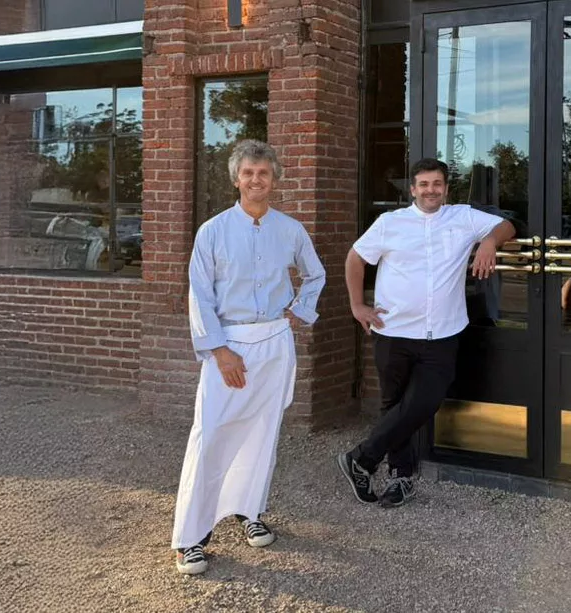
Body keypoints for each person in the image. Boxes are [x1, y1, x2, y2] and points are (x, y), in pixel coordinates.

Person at [171, 139, 326, 575]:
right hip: (230, 343)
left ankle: (250, 511)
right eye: (248, 173)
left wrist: (299, 311)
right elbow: (200, 295)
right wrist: (220, 350)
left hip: (275, 343)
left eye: (264, 173)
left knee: (262, 433)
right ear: (236, 179)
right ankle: (190, 538)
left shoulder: (290, 230)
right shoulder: (213, 231)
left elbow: (315, 274)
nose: (256, 180)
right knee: (212, 433)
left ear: (274, 179)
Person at [337, 158, 516, 507]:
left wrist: (489, 242)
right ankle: (401, 478)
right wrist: (357, 305)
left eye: (437, 184)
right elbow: (355, 259)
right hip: (394, 332)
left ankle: (361, 459)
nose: (430, 190)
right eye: (423, 184)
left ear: (446, 188)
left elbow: (506, 226)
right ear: (413, 189)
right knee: (394, 407)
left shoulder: (463, 217)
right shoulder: (390, 223)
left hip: (442, 334)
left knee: (423, 402)